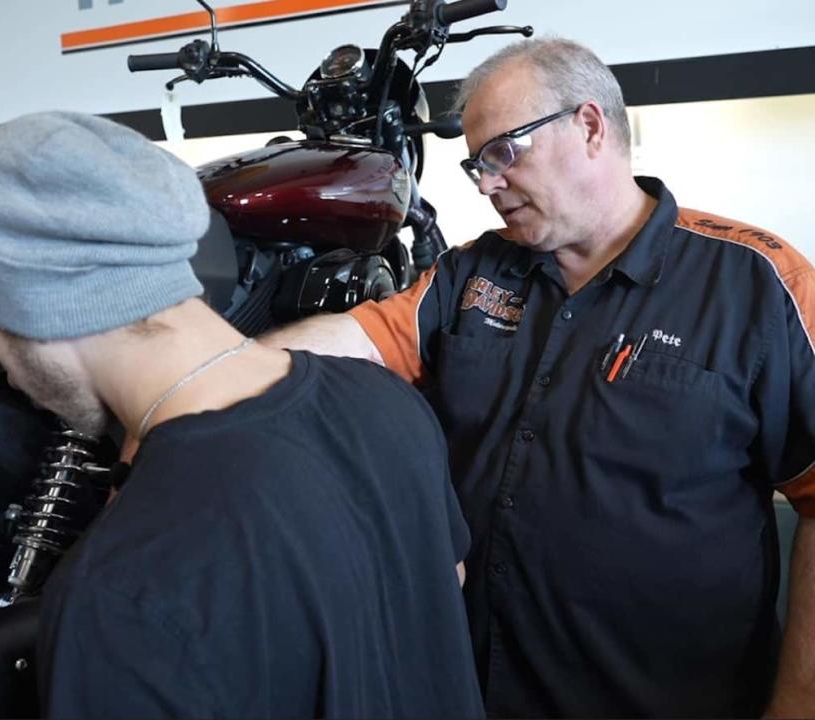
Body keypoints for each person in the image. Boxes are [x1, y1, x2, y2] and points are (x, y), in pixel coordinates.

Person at [264, 38, 815, 718]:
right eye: (476, 166)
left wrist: (797, 704)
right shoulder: (474, 272)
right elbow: (357, 343)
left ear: (589, 126)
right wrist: (204, 374)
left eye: (504, 152)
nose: (488, 184)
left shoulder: (758, 284)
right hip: (475, 690)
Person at [0, 111, 485, 719]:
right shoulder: (384, 402)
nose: (6, 370)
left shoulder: (119, 595)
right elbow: (442, 585)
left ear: (30, 309)